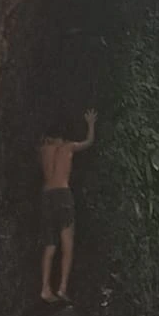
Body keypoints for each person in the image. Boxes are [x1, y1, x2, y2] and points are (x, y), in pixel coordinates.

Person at [39, 107, 96, 304]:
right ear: (63, 136)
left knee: (49, 244)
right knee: (67, 244)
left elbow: (44, 142)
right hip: (63, 195)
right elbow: (89, 142)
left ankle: (45, 289)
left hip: (46, 196)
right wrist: (91, 124)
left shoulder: (43, 150)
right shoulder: (68, 147)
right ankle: (62, 288)